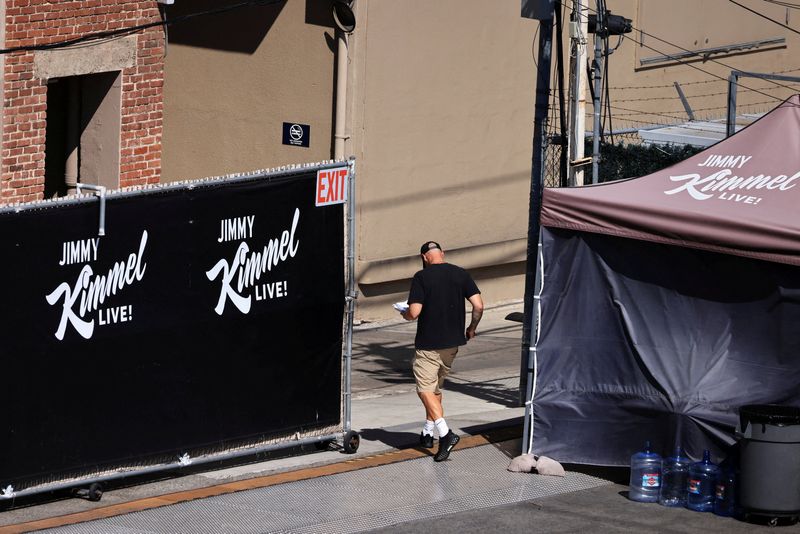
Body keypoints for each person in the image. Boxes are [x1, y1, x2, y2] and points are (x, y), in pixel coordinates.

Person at [401, 240, 483, 462]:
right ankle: (428, 432)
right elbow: (479, 305)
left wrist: (404, 313)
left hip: (429, 344)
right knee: (435, 389)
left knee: (424, 390)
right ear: (442, 254)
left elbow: (415, 312)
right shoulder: (460, 274)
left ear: (424, 258)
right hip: (452, 344)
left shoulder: (421, 277)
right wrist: (472, 328)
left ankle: (445, 434)